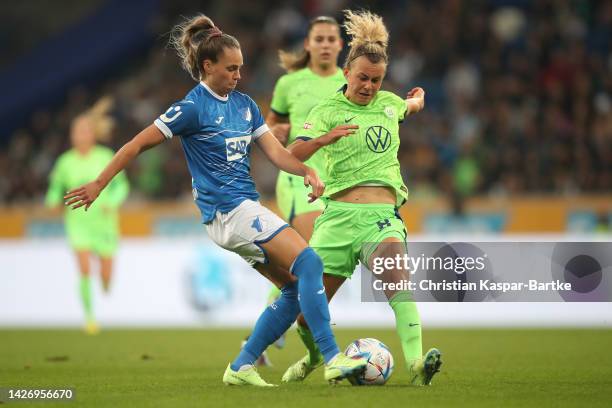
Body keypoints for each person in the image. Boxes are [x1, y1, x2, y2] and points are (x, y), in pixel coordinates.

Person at [63, 14, 366, 387]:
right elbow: (136, 144)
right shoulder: (192, 108)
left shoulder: (245, 105)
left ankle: (241, 366)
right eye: (230, 69)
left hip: (240, 212)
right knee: (310, 263)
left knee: (292, 288)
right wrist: (98, 182)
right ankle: (333, 357)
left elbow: (276, 153)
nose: (238, 75)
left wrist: (307, 170)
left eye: (240, 68)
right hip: (229, 211)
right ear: (208, 66)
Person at [281, 10, 442, 386]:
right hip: (336, 219)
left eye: (376, 79)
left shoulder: (389, 104)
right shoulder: (326, 112)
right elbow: (294, 152)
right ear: (346, 74)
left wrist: (417, 100)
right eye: (362, 79)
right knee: (306, 314)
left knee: (397, 283)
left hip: (380, 217)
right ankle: (314, 355)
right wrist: (324, 138)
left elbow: (409, 106)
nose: (369, 86)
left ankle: (418, 363)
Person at [244, 15, 346, 367]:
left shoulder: (350, 82)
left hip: (334, 179)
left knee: (303, 265)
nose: (325, 44)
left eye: (331, 38)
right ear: (308, 44)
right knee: (312, 255)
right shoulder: (290, 83)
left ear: (340, 44)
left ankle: (259, 338)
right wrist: (278, 130)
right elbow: (268, 128)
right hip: (296, 177)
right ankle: (308, 338)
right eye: (319, 38)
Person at [45, 98, 129, 335]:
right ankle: (90, 319)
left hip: (104, 223)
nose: (80, 135)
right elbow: (55, 188)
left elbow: (122, 187)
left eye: (84, 131)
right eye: (76, 131)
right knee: (83, 270)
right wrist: (51, 202)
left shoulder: (105, 157)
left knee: (105, 275)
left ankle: (105, 281)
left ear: (93, 134)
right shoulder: (64, 162)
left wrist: (111, 203)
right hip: (77, 222)